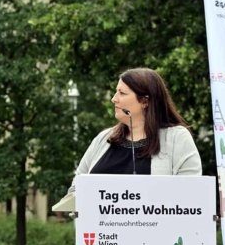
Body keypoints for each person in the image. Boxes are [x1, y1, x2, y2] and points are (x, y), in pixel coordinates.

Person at [53, 68, 200, 211]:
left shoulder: (177, 138)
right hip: (102, 234)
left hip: (155, 233)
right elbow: (76, 186)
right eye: (116, 92)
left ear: (144, 101)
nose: (113, 99)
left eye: (122, 93)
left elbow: (191, 194)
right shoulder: (103, 138)